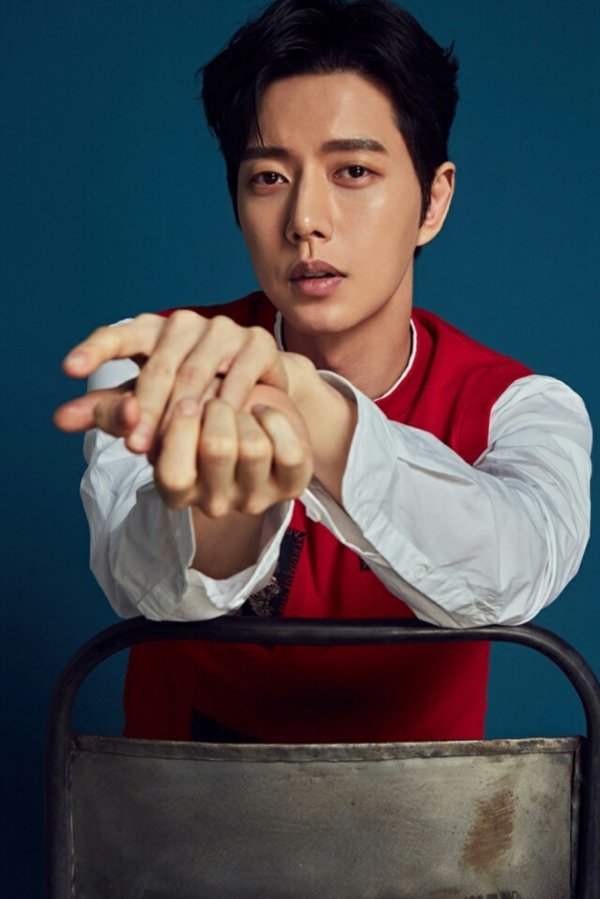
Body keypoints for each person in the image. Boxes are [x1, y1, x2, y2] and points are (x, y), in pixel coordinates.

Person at [55, 0, 591, 744]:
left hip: (435, 815)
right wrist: (216, 486)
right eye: (269, 177)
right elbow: (141, 583)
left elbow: (516, 572)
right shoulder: (156, 361)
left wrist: (312, 412)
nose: (306, 217)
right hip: (172, 807)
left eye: (354, 171)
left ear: (433, 201)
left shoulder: (525, 407)